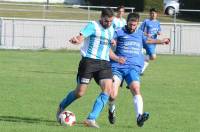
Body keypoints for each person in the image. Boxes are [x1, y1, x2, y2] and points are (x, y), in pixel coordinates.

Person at [56, 8, 120, 128]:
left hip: (104, 64)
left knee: (108, 90)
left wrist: (116, 58)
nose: (108, 24)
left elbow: (107, 49)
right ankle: (62, 105)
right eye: (106, 21)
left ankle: (91, 118)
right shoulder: (93, 25)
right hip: (89, 62)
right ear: (101, 17)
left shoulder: (112, 29)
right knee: (80, 93)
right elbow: (81, 37)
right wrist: (76, 40)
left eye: (111, 21)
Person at [108, 12, 170, 127]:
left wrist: (162, 41)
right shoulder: (119, 32)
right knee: (112, 95)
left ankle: (139, 116)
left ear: (137, 24)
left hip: (133, 68)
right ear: (127, 23)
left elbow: (149, 40)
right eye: (130, 24)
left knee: (136, 88)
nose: (132, 27)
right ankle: (111, 109)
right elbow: (111, 40)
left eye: (134, 25)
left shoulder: (140, 34)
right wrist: (113, 42)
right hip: (118, 67)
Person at [139, 8, 162, 75]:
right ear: (150, 14)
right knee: (153, 56)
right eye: (152, 13)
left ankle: (141, 70)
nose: (153, 14)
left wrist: (159, 32)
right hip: (147, 41)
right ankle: (141, 63)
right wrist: (146, 34)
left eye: (154, 13)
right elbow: (140, 30)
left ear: (156, 14)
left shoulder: (157, 22)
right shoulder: (146, 21)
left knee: (149, 57)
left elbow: (159, 30)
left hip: (153, 42)